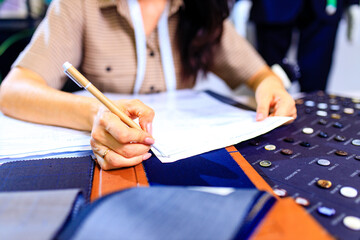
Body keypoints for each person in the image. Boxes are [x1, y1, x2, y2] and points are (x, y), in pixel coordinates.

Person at [0, 0, 296, 170]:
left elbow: (258, 74)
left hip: (189, 161)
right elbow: (13, 90)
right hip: (111, 166)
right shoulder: (79, 5)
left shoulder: (201, 7)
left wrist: (270, 84)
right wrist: (94, 112)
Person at [246, 0, 360, 92]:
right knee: (271, 77)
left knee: (316, 82)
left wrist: (352, 2)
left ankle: (313, 117)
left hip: (327, 6)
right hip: (271, 5)